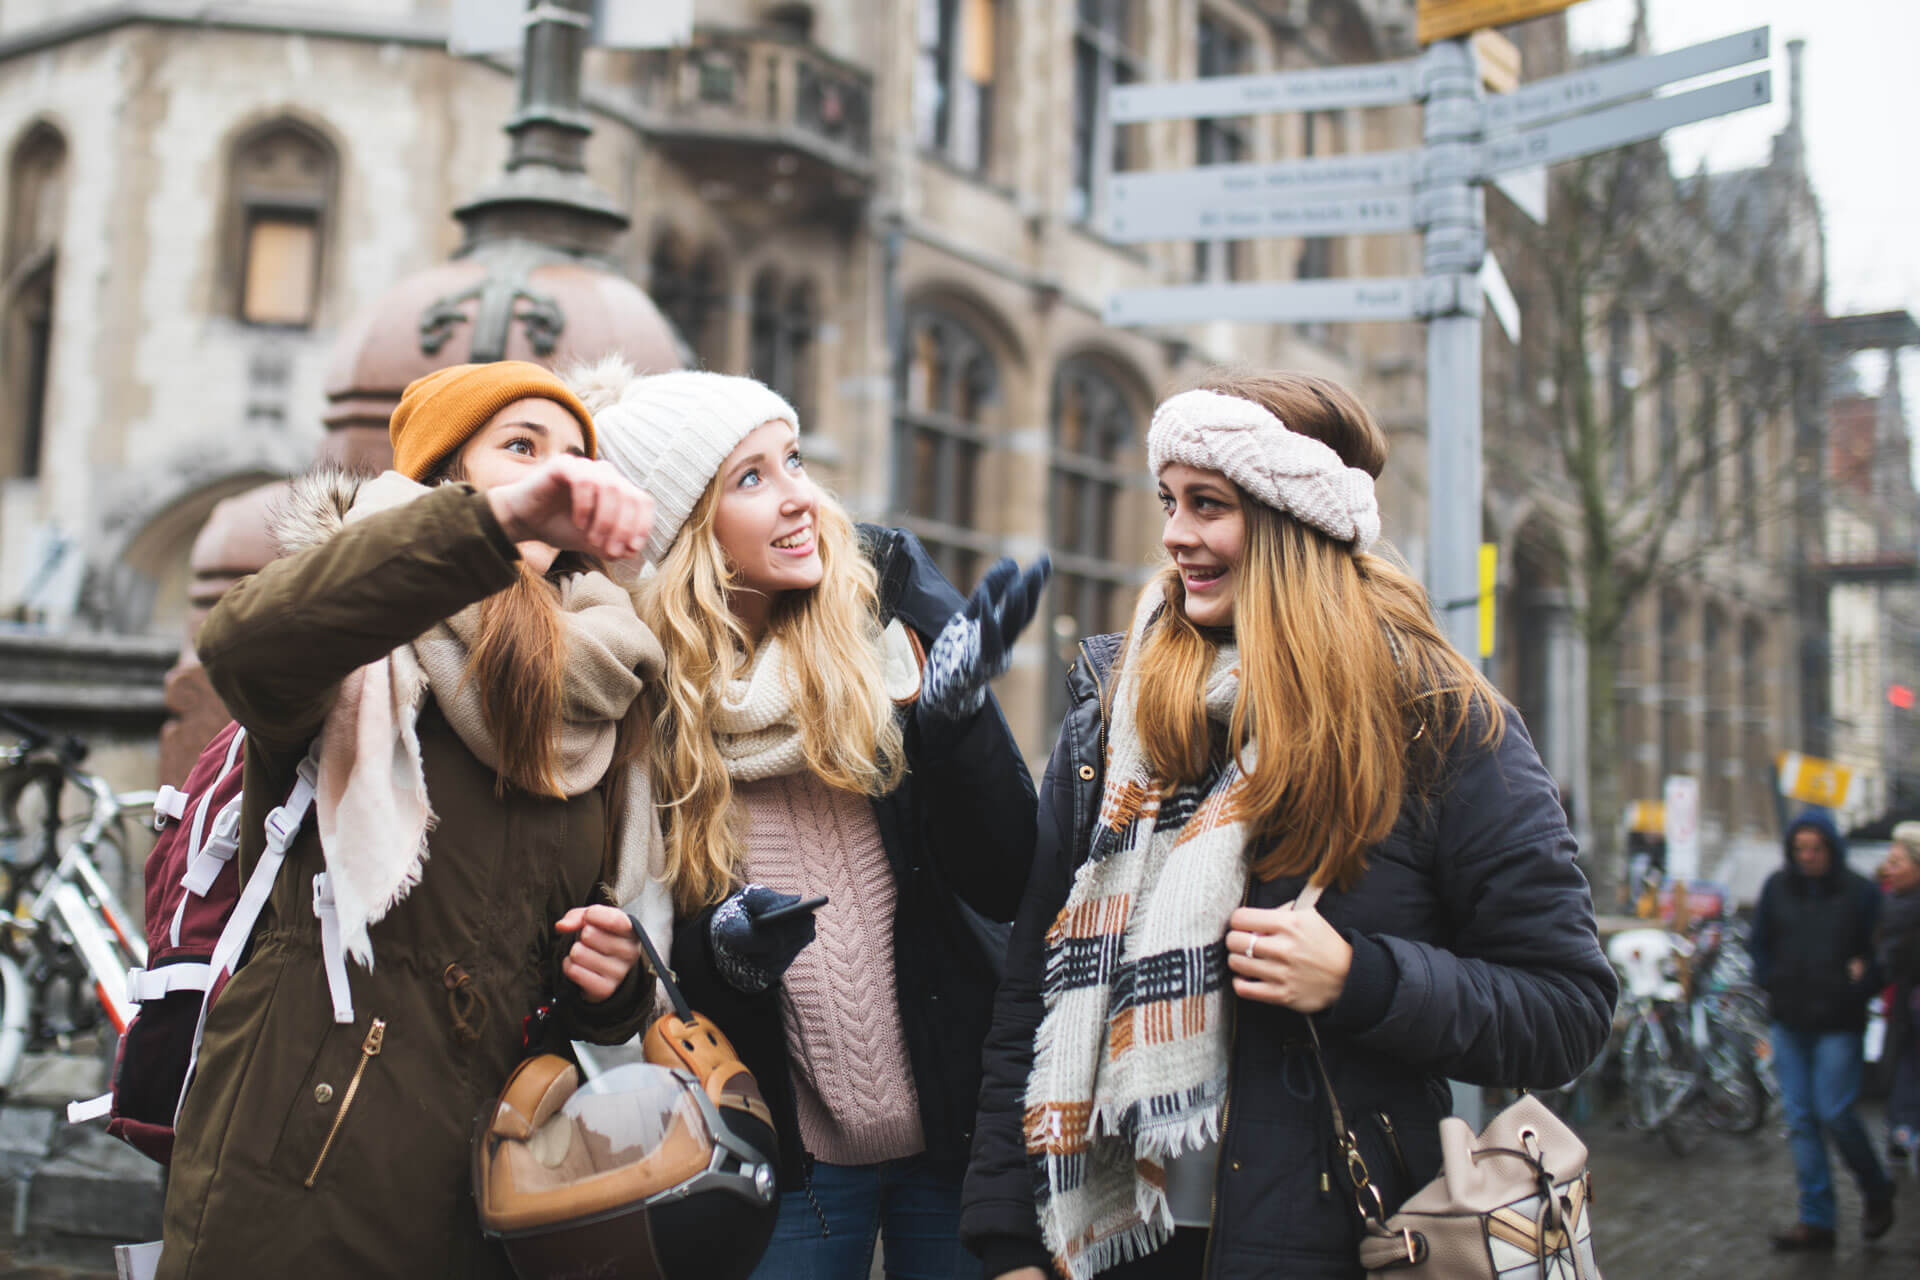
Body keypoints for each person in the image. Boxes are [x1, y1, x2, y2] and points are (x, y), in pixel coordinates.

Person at [960, 371, 1617, 1280]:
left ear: (1292, 522)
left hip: (1329, 1242)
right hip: (1108, 1245)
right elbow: (1030, 996)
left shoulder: (1437, 722)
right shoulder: (1113, 719)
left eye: (1208, 504)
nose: (1174, 533)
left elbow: (1567, 1009)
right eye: (1169, 501)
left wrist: (1361, 980)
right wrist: (1007, 1241)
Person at [160, 362, 665, 1279]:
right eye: (521, 447)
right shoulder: (361, 634)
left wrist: (614, 984)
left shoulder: (604, 677)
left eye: (574, 456)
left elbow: (553, 948)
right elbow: (241, 646)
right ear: (445, 476)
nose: (558, 472)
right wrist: (492, 527)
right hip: (310, 1163)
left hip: (497, 1181)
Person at [569, 362, 1044, 1279]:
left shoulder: (883, 621)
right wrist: (729, 954)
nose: (800, 498)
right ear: (685, 530)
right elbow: (643, 943)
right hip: (780, 1158)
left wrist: (953, 724)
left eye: (793, 461)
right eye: (751, 477)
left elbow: (1005, 877)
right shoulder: (637, 694)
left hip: (956, 1137)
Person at [1751, 810, 1896, 1250]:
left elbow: (1883, 951)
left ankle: (1876, 1187)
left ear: (1831, 848)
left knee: (1835, 1111)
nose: (1808, 857)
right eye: (1800, 849)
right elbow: (1759, 943)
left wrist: (1861, 985)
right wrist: (1771, 978)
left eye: (1816, 849)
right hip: (1790, 1020)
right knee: (1800, 1119)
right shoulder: (1777, 888)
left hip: (1839, 1022)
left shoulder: (1860, 892)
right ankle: (1817, 1219)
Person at [1878, 824, 1920, 1171]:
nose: (1888, 868)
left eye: (1896, 861)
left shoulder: (1897, 907)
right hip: (1900, 1004)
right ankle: (1901, 1132)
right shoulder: (1889, 901)